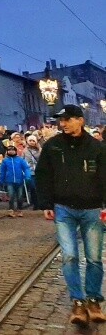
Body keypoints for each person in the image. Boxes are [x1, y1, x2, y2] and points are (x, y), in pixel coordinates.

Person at [36, 104, 106, 327]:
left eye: (67, 119)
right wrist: (46, 202)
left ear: (80, 120)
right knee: (69, 256)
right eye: (61, 120)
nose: (63, 123)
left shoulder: (97, 148)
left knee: (94, 257)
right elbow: (43, 175)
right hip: (63, 208)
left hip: (92, 208)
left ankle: (94, 300)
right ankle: (77, 301)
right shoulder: (53, 146)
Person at [0, 144, 31, 217]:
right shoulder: (5, 161)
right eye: (9, 150)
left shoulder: (20, 160)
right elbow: (2, 171)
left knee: (20, 196)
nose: (11, 151)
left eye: (12, 150)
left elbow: (26, 168)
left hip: (20, 181)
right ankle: (11, 209)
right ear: (7, 152)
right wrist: (1, 180)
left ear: (15, 151)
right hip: (9, 181)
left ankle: (19, 209)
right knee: (11, 195)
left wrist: (27, 176)